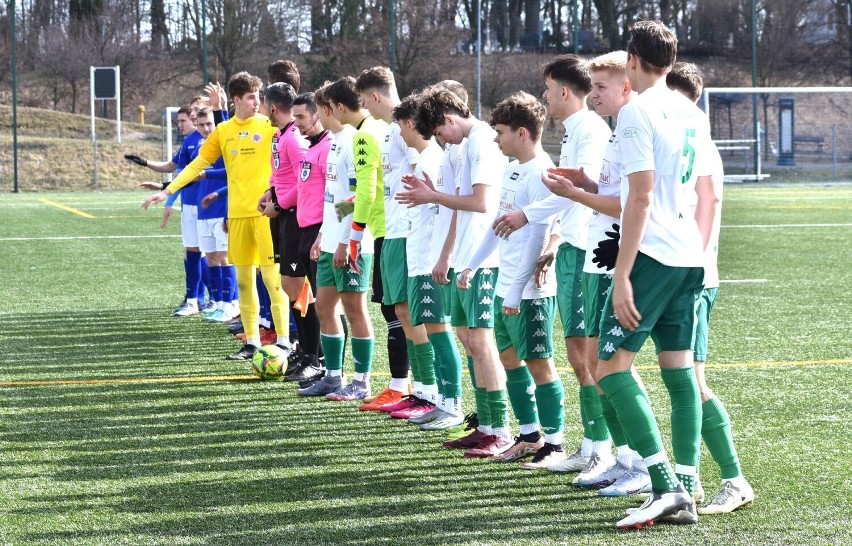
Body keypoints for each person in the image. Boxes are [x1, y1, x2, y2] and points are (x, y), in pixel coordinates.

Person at [593, 21, 718, 529]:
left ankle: (666, 487)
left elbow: (639, 198)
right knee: (679, 370)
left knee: (610, 369)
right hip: (691, 256)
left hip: (656, 256)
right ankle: (686, 482)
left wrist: (623, 274)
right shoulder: (692, 111)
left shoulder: (637, 111)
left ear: (632, 59)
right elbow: (704, 192)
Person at [492, 55, 612, 472]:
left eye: (546, 89)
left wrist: (529, 216)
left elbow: (582, 188)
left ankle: (601, 450)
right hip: (572, 247)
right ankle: (591, 446)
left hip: (586, 250)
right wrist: (557, 237)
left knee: (586, 358)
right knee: (580, 355)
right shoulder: (577, 130)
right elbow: (574, 194)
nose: (544, 96)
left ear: (563, 91)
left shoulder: (592, 130)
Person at [540, 51, 652, 496]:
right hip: (589, 254)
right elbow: (607, 189)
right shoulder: (605, 132)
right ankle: (613, 452)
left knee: (611, 362)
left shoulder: (620, 128)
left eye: (603, 86)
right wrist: (582, 188)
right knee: (592, 359)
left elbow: (630, 201)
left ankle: (637, 460)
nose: (595, 93)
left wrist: (569, 196)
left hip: (605, 255)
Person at [142, 71, 291, 361]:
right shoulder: (224, 132)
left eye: (258, 97)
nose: (257, 102)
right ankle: (251, 341)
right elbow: (197, 164)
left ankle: (284, 340)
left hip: (266, 216)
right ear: (237, 100)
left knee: (273, 279)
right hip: (237, 217)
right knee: (246, 282)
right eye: (251, 97)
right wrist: (168, 190)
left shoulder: (270, 127)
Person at [396, 86, 512, 458]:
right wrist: (445, 256)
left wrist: (433, 197)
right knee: (467, 338)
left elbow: (479, 204)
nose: (440, 141)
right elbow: (453, 210)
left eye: (441, 132)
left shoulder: (481, 142)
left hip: (484, 259)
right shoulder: (458, 148)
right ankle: (486, 425)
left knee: (481, 341)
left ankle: (500, 428)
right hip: (462, 259)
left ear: (449, 119)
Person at [457, 91, 566, 469]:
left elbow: (537, 238)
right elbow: (497, 225)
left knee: (540, 364)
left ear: (522, 133)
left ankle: (554, 443)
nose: (497, 139)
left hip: (530, 292)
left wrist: (519, 292)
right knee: (509, 359)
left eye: (501, 132)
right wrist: (472, 264)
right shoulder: (511, 168)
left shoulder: (542, 173)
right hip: (506, 284)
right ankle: (530, 434)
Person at [666, 61, 755, 515]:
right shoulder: (688, 140)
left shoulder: (697, 142)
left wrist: (695, 266)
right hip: (685, 274)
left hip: (696, 278)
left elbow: (709, 201)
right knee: (683, 380)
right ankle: (691, 478)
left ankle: (734, 479)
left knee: (694, 382)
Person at [323, 74, 410, 408]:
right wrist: (337, 214)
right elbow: (368, 192)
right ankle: (407, 387)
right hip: (386, 230)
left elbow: (365, 191)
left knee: (397, 311)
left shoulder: (366, 136)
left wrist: (352, 238)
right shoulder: (381, 130)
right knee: (395, 310)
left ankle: (405, 387)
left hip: (387, 231)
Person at [299, 81, 376, 397]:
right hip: (330, 241)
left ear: (331, 109)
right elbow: (336, 198)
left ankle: (361, 381)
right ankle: (333, 376)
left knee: (355, 309)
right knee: (324, 307)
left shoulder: (357, 141)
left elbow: (359, 196)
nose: (318, 116)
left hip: (352, 244)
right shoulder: (333, 142)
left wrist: (346, 240)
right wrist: (323, 234)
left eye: (320, 110)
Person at [126, 106, 207, 317]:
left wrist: (165, 192)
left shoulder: (210, 139)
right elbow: (175, 169)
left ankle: (213, 300)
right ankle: (196, 300)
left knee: (213, 254)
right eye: (179, 121)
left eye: (184, 120)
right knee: (194, 252)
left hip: (207, 203)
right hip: (189, 203)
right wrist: (146, 164)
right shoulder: (189, 142)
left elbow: (197, 174)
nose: (180, 124)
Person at [274, 92, 331, 384]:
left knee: (324, 300)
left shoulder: (327, 146)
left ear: (318, 114)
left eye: (301, 117)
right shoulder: (311, 145)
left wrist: (281, 203)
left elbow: (335, 196)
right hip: (302, 225)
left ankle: (320, 359)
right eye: (293, 117)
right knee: (299, 291)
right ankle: (310, 353)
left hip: (316, 229)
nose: (296, 124)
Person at [192, 106, 237, 323]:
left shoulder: (224, 143)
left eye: (209, 123)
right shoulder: (200, 148)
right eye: (201, 125)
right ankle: (218, 302)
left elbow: (233, 172)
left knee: (224, 257)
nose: (205, 128)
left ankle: (231, 304)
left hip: (221, 209)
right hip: (203, 213)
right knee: (211, 258)